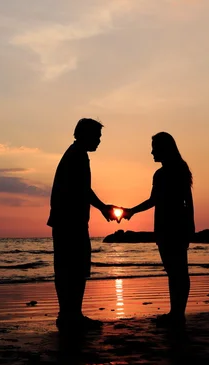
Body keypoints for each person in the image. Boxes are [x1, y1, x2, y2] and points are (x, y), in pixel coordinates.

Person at [47, 118, 117, 332]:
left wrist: (102, 207)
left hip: (66, 220)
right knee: (74, 268)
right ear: (84, 135)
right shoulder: (77, 156)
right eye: (97, 137)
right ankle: (70, 315)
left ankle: (69, 315)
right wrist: (103, 207)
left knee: (68, 267)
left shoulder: (76, 154)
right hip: (70, 222)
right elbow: (82, 190)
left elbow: (83, 189)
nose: (99, 141)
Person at [123, 132, 195, 328]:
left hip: (169, 226)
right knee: (177, 271)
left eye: (154, 147)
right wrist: (190, 225)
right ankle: (177, 313)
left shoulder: (167, 173)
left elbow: (161, 200)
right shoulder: (176, 169)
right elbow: (186, 201)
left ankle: (177, 314)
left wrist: (132, 211)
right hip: (172, 226)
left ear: (164, 148)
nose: (152, 151)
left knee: (176, 271)